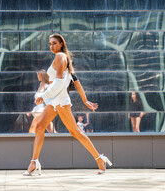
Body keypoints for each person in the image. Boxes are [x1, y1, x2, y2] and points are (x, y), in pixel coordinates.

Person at [23, 33, 112, 176]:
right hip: (54, 99)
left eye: (54, 43)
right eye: (50, 43)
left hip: (58, 99)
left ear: (61, 44)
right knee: (40, 127)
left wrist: (44, 97)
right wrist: (84, 100)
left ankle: (99, 158)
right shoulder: (64, 59)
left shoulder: (60, 57)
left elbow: (58, 83)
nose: (51, 46)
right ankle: (34, 162)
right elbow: (76, 82)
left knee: (75, 132)